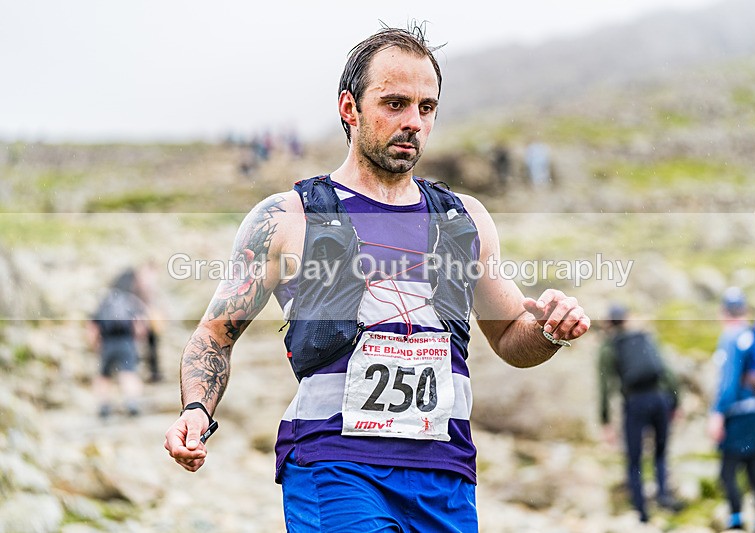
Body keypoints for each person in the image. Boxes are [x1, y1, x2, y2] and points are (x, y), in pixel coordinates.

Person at [164, 24, 590, 531]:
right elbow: (214, 334)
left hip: (445, 473)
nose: (412, 121)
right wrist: (195, 409)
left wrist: (548, 330)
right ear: (350, 108)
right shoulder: (287, 218)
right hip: (334, 464)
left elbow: (507, 335)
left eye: (426, 108)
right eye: (395, 103)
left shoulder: (464, 220)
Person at [598, 304, 683, 523]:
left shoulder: (609, 347)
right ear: (626, 320)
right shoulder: (644, 337)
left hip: (635, 402)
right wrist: (675, 402)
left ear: (609, 323)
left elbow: (605, 386)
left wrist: (605, 420)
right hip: (659, 399)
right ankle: (664, 496)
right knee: (661, 451)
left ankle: (641, 510)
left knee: (634, 458)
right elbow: (667, 371)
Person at [708, 287, 755, 533]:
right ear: (744, 310)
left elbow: (729, 382)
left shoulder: (731, 337)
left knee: (728, 472)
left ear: (723, 312)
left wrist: (717, 413)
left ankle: (735, 522)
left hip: (739, 414)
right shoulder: (754, 335)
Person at [88, 268, 147, 418]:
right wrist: (136, 341)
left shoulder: (105, 300)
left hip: (107, 342)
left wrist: (96, 345)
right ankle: (132, 402)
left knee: (104, 375)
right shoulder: (131, 300)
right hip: (126, 341)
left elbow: (93, 327)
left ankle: (104, 405)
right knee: (129, 372)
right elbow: (139, 326)